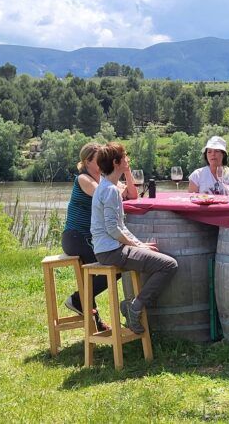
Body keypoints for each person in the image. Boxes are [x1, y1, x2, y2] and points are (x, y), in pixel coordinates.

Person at [91, 142, 178, 334]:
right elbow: (114, 230)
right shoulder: (111, 190)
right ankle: (135, 307)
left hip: (107, 249)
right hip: (111, 251)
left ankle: (134, 306)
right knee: (169, 265)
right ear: (116, 162)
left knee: (159, 258)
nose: (128, 159)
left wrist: (139, 245)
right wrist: (136, 245)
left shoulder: (105, 186)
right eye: (125, 156)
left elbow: (119, 226)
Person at [62, 142, 137, 331]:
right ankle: (81, 302)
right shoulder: (84, 179)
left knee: (114, 265)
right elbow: (103, 194)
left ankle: (81, 303)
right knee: (111, 264)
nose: (103, 162)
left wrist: (126, 172)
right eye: (99, 159)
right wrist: (118, 187)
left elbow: (132, 195)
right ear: (87, 161)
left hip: (93, 238)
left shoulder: (105, 179)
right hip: (76, 237)